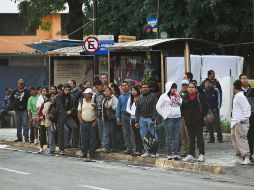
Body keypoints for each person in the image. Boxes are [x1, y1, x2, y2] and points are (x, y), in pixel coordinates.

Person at [182, 82, 209, 162]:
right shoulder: (185, 97)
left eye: (192, 87)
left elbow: (206, 107)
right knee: (191, 138)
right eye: (189, 87)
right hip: (189, 121)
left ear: (195, 88)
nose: (191, 88)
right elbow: (182, 108)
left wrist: (201, 116)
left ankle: (201, 154)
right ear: (187, 88)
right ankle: (191, 154)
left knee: (200, 138)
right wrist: (185, 116)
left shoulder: (199, 96)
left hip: (198, 121)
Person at [156, 82, 182, 160]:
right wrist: (164, 116)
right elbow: (158, 107)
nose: (174, 89)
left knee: (176, 137)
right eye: (172, 88)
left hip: (177, 118)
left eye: (175, 88)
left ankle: (176, 153)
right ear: (168, 88)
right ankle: (169, 154)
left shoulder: (177, 95)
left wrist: (178, 97)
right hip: (169, 119)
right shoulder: (163, 96)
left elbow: (180, 104)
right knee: (169, 137)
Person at [50, 84, 78, 155]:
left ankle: (74, 144)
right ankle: (61, 149)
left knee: (75, 127)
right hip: (60, 116)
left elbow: (74, 106)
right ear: (63, 89)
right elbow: (52, 105)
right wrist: (49, 114)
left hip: (67, 116)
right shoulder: (57, 97)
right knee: (61, 133)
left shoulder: (71, 97)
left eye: (68, 90)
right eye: (66, 89)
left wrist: (70, 111)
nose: (67, 91)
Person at [231, 80, 251, 165]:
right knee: (235, 140)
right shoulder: (237, 96)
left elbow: (247, 108)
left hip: (240, 122)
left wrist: (243, 119)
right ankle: (240, 157)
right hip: (235, 122)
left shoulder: (241, 96)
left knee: (241, 139)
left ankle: (246, 157)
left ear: (234, 87)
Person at [135, 83, 158, 157]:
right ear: (141, 89)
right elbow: (137, 110)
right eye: (143, 87)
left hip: (150, 118)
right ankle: (147, 151)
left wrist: (153, 118)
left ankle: (154, 152)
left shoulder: (153, 96)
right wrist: (136, 121)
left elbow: (156, 108)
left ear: (149, 88)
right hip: (142, 119)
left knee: (153, 136)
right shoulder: (139, 98)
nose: (145, 88)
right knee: (144, 136)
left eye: (146, 87)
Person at [116, 81, 135, 155]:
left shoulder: (132, 95)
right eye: (123, 85)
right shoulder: (120, 97)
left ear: (128, 86)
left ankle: (134, 148)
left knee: (132, 133)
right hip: (123, 116)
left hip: (131, 115)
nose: (124, 87)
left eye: (126, 85)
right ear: (121, 87)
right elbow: (118, 107)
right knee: (125, 133)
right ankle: (128, 148)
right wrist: (118, 117)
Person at [78, 88, 97, 158]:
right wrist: (81, 121)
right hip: (84, 123)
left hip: (92, 123)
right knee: (84, 138)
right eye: (85, 94)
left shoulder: (94, 101)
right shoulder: (81, 101)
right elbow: (79, 112)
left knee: (92, 138)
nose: (86, 95)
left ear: (91, 95)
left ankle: (92, 152)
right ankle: (84, 152)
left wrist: (95, 121)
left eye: (87, 94)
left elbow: (98, 112)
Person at [98, 87, 118, 153]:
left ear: (111, 92)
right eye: (105, 91)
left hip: (112, 119)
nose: (106, 92)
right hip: (106, 119)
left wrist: (111, 107)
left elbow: (117, 106)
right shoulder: (104, 99)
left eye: (107, 91)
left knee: (112, 133)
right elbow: (103, 109)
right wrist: (103, 118)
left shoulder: (114, 98)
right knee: (106, 133)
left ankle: (114, 147)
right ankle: (105, 147)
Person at [239, 73, 254, 161]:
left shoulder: (252, 90)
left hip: (252, 114)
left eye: (246, 78)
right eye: (243, 78)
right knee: (243, 135)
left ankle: (251, 152)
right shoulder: (239, 91)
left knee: (251, 133)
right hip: (242, 116)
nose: (245, 80)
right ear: (240, 80)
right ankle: (244, 153)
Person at [203, 78, 223, 143]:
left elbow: (219, 99)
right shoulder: (203, 91)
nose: (208, 84)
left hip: (215, 110)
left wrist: (217, 108)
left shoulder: (215, 90)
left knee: (217, 124)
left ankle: (220, 138)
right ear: (205, 84)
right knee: (208, 125)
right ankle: (212, 139)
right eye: (206, 83)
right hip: (207, 111)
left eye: (209, 83)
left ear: (211, 84)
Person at [126, 86, 142, 156]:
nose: (133, 92)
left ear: (138, 91)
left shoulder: (140, 98)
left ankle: (140, 150)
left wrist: (137, 114)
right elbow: (127, 108)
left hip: (139, 118)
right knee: (135, 135)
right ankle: (136, 150)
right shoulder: (130, 98)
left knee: (139, 135)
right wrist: (133, 113)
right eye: (132, 90)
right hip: (132, 118)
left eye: (135, 90)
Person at [179, 80, 189, 157]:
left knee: (189, 135)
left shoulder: (190, 94)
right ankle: (185, 151)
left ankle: (191, 151)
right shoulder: (178, 95)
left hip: (188, 117)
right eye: (183, 85)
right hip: (180, 116)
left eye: (186, 85)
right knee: (182, 135)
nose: (184, 86)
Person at [94, 80, 105, 147]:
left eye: (98, 87)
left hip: (104, 115)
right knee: (100, 131)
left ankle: (105, 145)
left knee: (105, 131)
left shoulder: (105, 93)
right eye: (96, 88)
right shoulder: (96, 95)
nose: (97, 89)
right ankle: (101, 145)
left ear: (102, 86)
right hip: (98, 115)